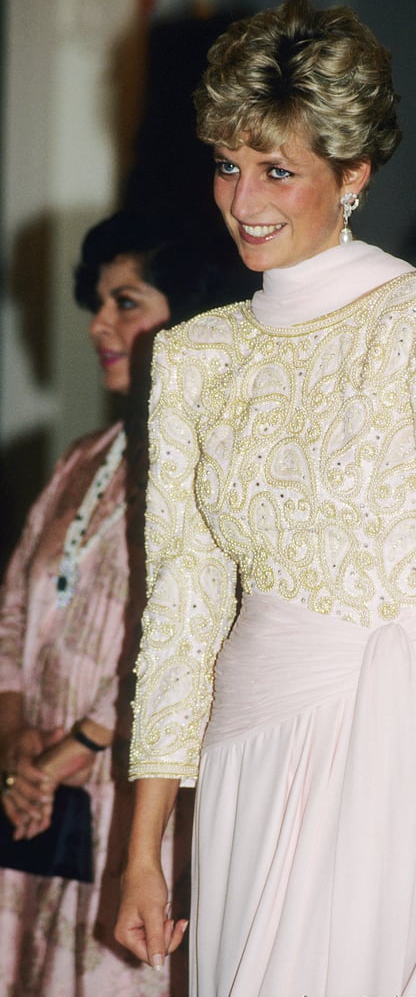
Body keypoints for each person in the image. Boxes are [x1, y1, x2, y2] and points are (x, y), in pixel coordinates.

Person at [115, 0, 416, 997]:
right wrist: (144, 844)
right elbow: (180, 607)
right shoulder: (191, 358)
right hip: (245, 752)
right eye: (228, 163)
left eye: (277, 169)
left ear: (353, 174)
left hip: (391, 761)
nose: (243, 199)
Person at [0, 210, 234, 995]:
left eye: (126, 302)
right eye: (98, 302)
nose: (98, 323)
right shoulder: (81, 459)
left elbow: (200, 631)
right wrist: (14, 743)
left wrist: (81, 746)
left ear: (188, 319)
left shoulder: (214, 468)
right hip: (37, 789)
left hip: (135, 785)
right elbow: (11, 614)